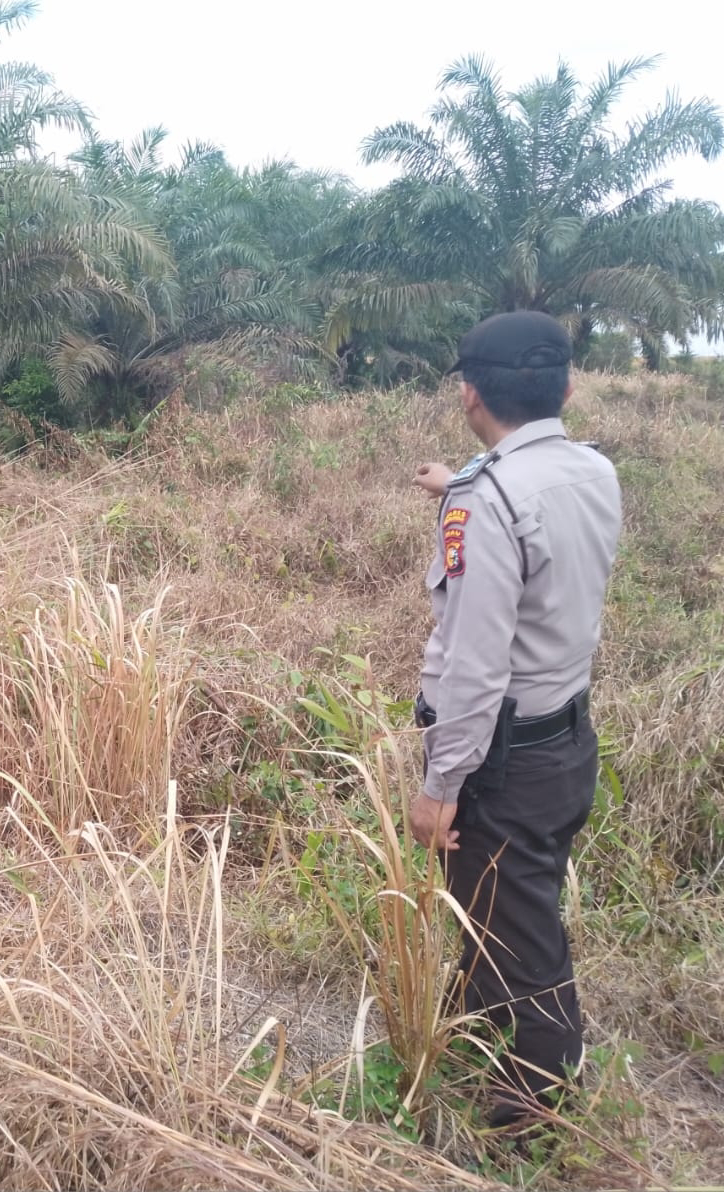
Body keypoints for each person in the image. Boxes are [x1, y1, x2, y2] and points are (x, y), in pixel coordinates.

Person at [408, 311, 622, 1131]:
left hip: (506, 759)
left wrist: (439, 789)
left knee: (516, 931)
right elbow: (524, 486)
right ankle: (490, 1039)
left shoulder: (486, 501)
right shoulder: (591, 472)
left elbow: (474, 665)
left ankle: (537, 1112)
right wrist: (458, 483)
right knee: (511, 905)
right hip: (566, 739)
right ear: (567, 388)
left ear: (469, 394)